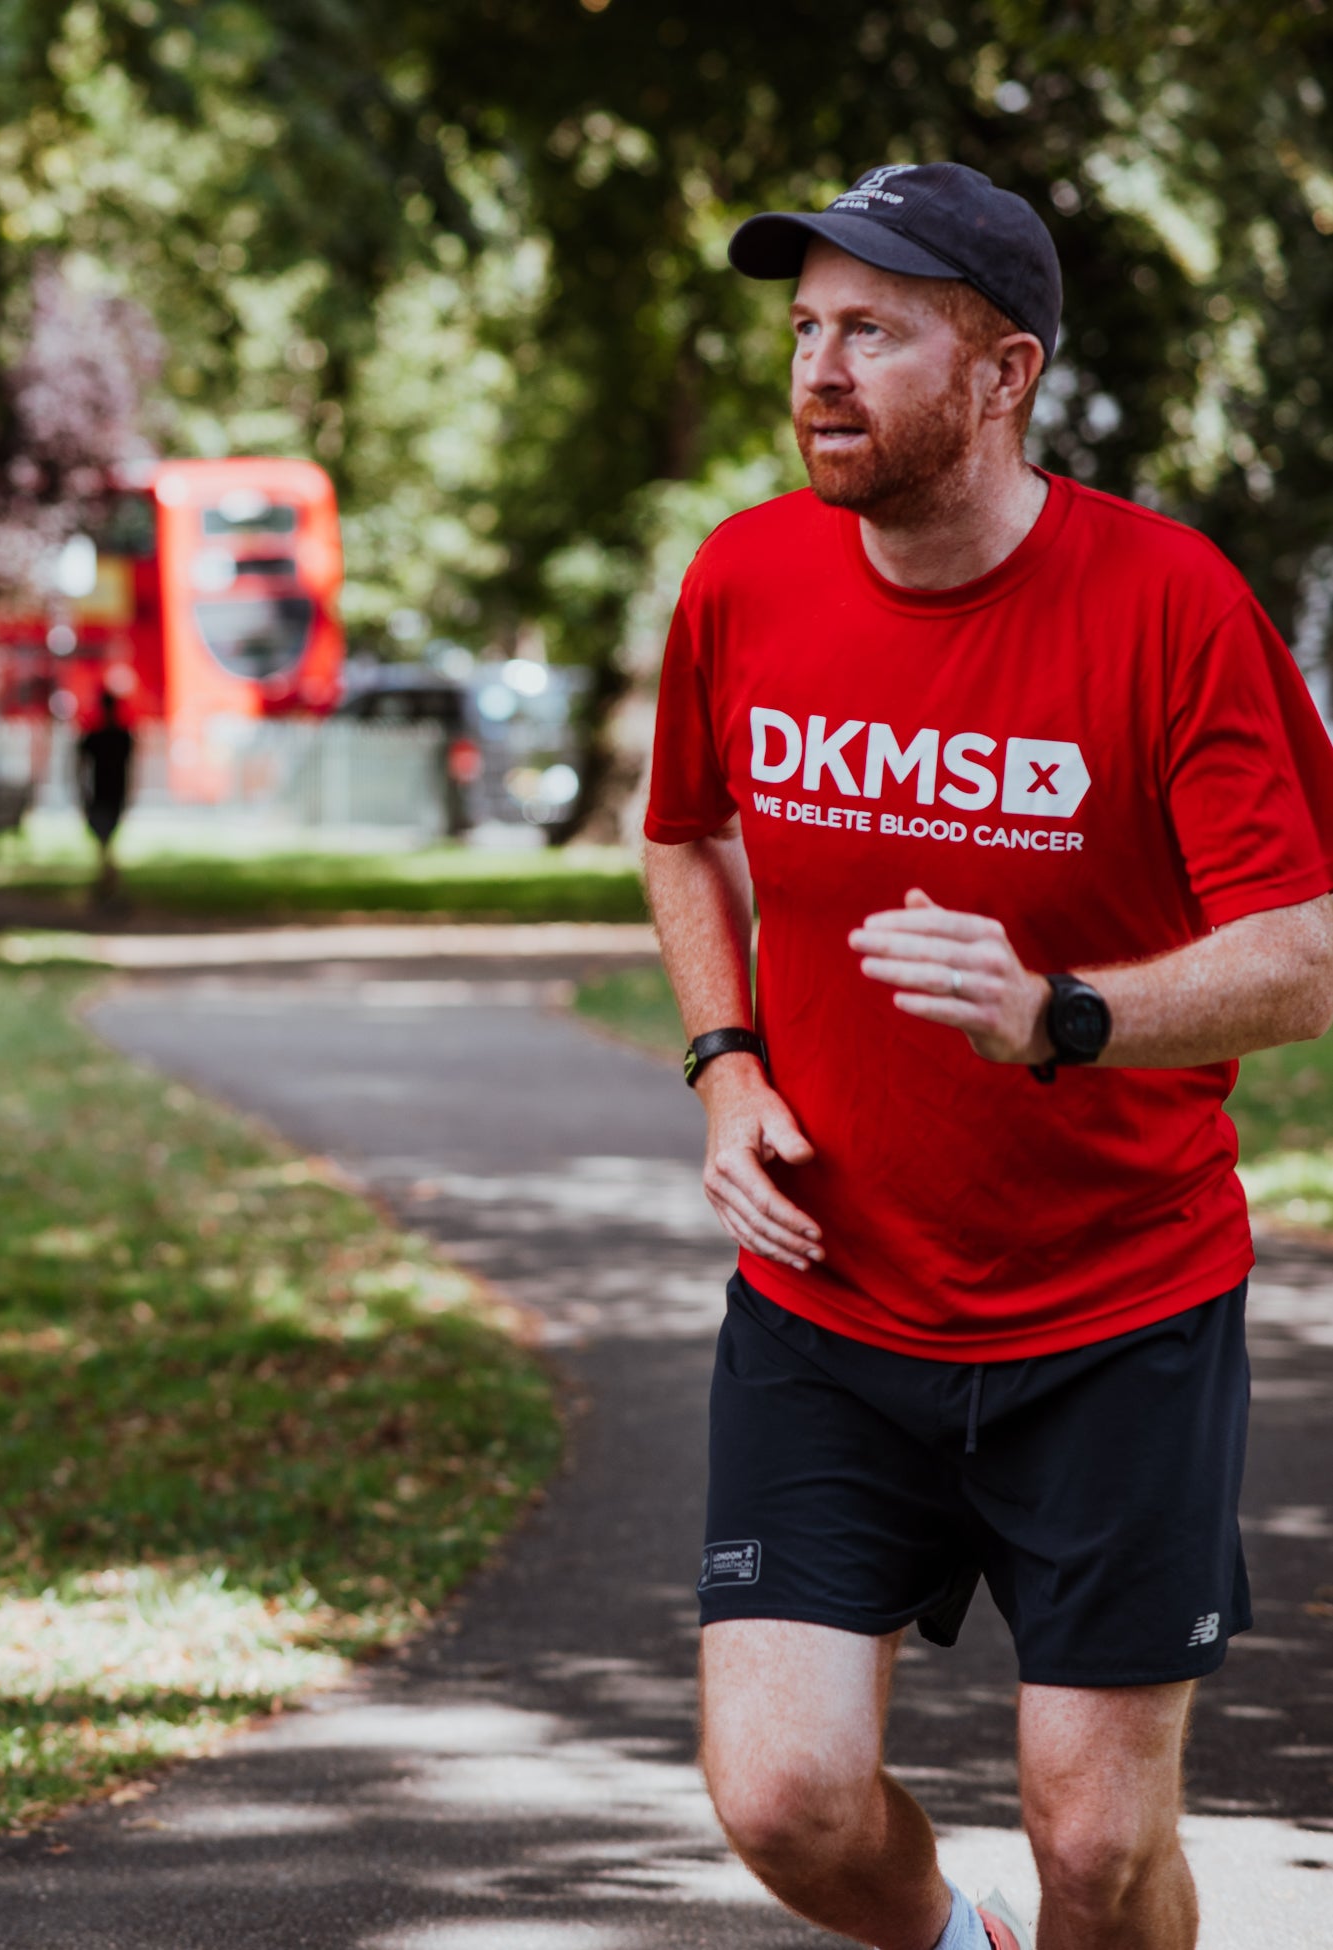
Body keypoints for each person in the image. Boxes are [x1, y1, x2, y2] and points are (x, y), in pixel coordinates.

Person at [643, 163, 1333, 1950]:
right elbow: (684, 834)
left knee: (1099, 1854)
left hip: (1112, 1318)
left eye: (871, 329)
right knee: (781, 1798)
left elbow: (1305, 954)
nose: (816, 368)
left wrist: (1064, 1015)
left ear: (1003, 372)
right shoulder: (744, 576)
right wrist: (726, 1059)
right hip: (828, 1306)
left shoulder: (1170, 607)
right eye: (803, 326)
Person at [75, 685, 136, 908]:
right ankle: (108, 885)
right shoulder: (120, 736)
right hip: (112, 794)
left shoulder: (99, 737)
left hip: (101, 795)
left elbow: (79, 766)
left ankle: (108, 886)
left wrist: (81, 793)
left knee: (104, 844)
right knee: (105, 843)